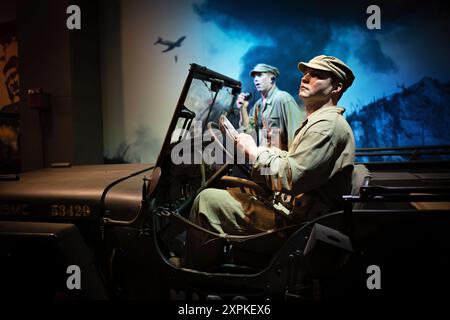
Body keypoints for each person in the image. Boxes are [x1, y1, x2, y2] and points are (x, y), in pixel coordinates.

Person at [184, 55, 356, 270]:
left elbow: (293, 175)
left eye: (317, 76)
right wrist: (259, 149)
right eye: (306, 74)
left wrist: (256, 154)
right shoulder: (318, 120)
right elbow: (294, 157)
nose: (305, 78)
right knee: (230, 187)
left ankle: (193, 275)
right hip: (293, 209)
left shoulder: (325, 126)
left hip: (298, 225)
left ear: (336, 87)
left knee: (207, 201)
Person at [237, 63, 303, 150]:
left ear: (272, 79)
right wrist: (243, 108)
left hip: (280, 159)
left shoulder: (283, 98)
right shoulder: (258, 105)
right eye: (255, 77)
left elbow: (298, 134)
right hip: (263, 158)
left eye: (260, 75)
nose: (256, 79)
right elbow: (249, 132)